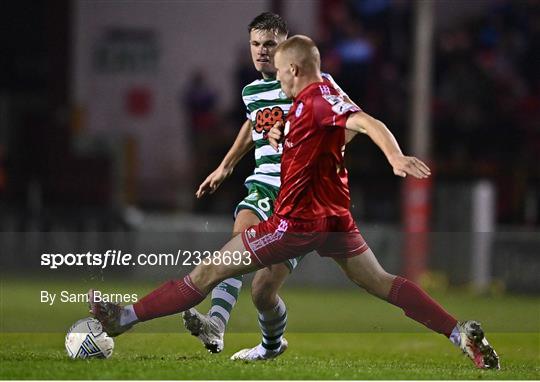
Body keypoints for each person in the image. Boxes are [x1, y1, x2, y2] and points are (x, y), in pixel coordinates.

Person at [89, 35, 500, 370]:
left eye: (282, 72)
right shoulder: (313, 100)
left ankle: (124, 319)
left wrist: (394, 157)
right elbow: (321, 132)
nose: (278, 80)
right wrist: (277, 138)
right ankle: (459, 333)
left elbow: (365, 122)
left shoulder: (318, 97)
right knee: (380, 281)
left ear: (295, 70)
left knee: (210, 269)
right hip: (336, 220)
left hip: (296, 223)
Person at [183, 12, 358, 360]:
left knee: (263, 291)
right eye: (256, 44)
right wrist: (225, 167)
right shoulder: (251, 91)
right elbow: (252, 126)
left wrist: (321, 147)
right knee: (239, 238)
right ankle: (216, 326)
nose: (262, 51)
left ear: (285, 47)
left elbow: (352, 121)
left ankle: (271, 346)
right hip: (263, 186)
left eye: (270, 45)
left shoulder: (314, 83)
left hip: (301, 197)